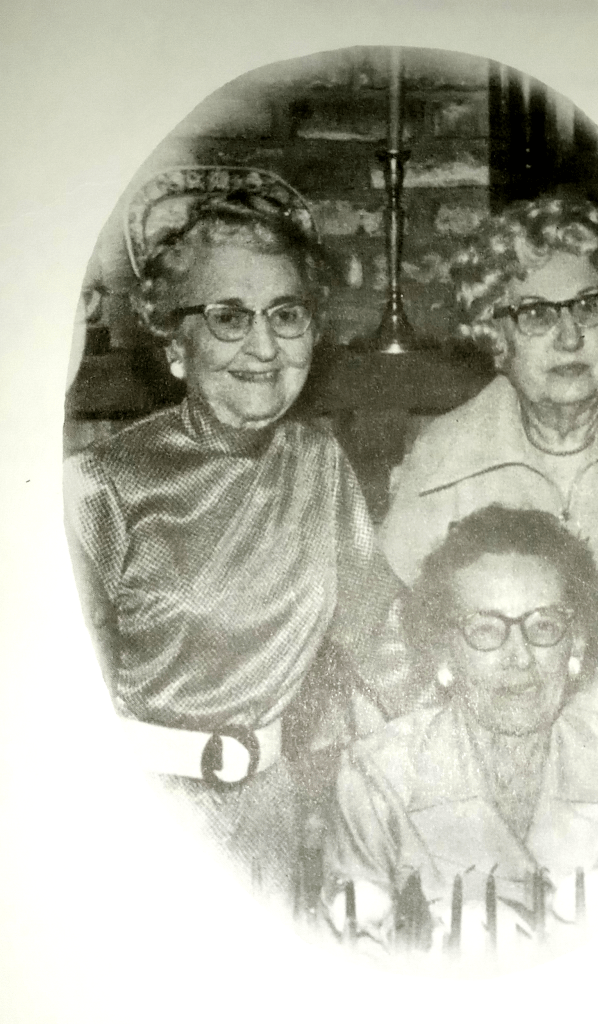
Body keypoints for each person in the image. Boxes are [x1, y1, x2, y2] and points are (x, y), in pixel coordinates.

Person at [63, 167, 416, 905]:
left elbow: (383, 638)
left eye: (286, 315)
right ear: (176, 343)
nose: (263, 348)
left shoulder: (318, 464)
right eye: (229, 317)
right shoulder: (101, 486)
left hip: (271, 817)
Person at [380, 195, 598, 798]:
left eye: (590, 306)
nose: (570, 336)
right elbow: (394, 646)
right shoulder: (444, 457)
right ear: (497, 335)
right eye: (536, 315)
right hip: (501, 789)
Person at [322, 506, 598, 963]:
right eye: (486, 630)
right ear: (443, 651)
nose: (520, 657)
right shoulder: (377, 779)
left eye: (544, 626)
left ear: (577, 643)